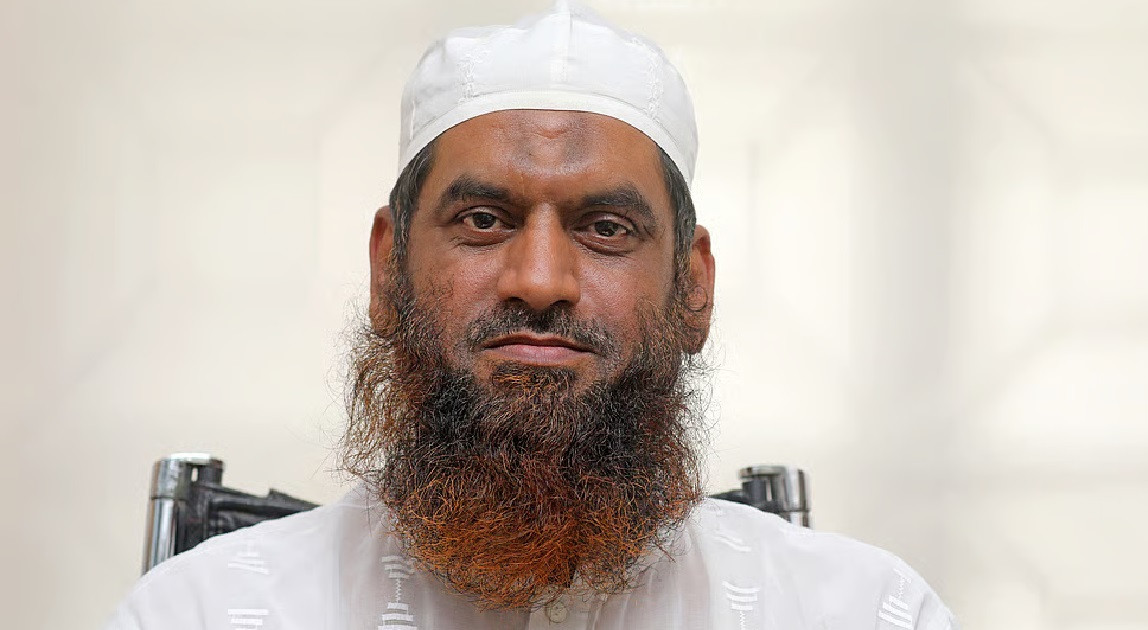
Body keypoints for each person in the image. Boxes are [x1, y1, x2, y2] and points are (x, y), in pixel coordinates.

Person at [106, 2, 958, 628]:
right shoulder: (202, 613)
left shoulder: (867, 612)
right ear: (386, 270)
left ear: (694, 286)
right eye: (483, 221)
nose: (541, 280)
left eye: (606, 228)